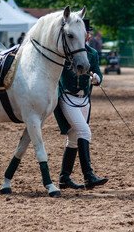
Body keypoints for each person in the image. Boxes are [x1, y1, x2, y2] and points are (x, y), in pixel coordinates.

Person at [54, 18, 108, 190]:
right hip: (68, 98)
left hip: (84, 99)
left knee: (73, 140)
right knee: (84, 131)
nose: (87, 36)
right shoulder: (66, 54)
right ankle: (89, 176)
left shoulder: (92, 53)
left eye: (87, 34)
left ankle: (64, 178)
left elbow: (98, 73)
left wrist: (97, 79)